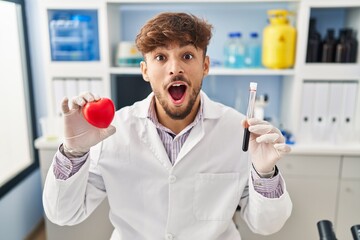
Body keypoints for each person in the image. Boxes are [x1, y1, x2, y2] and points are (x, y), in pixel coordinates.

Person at [43, 12, 292, 240]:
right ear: (145, 70)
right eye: (160, 57)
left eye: (187, 55)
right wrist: (73, 153)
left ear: (205, 66)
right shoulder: (112, 131)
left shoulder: (239, 131)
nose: (175, 69)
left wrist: (265, 174)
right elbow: (63, 214)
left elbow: (267, 225)